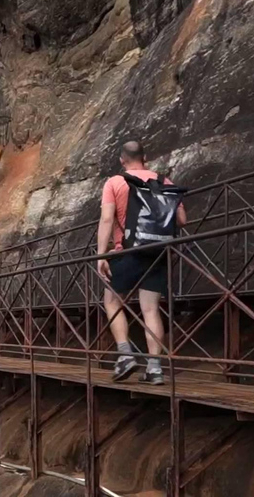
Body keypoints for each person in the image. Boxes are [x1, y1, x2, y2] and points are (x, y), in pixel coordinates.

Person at [97, 141, 187, 385]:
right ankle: (155, 368)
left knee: (112, 300)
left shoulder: (115, 182)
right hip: (157, 252)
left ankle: (125, 355)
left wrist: (101, 255)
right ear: (144, 157)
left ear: (121, 160)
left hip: (126, 252)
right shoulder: (164, 181)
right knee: (150, 309)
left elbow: (107, 219)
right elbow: (181, 220)